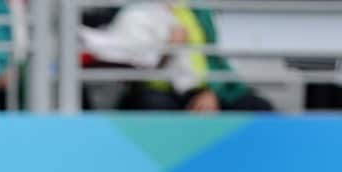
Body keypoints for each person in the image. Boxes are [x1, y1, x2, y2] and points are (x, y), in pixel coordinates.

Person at [82, 1, 273, 113]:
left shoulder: (197, 12)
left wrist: (212, 92)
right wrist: (168, 49)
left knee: (258, 107)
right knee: (155, 108)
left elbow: (215, 61)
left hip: (201, 88)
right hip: (156, 88)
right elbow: (131, 67)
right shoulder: (135, 14)